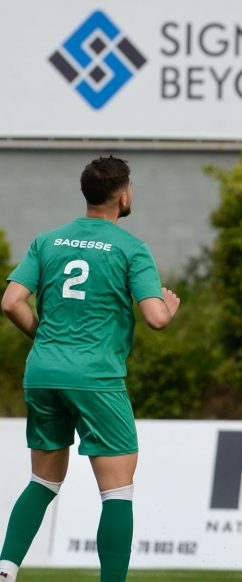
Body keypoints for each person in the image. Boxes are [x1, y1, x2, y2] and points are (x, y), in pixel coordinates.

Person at [0, 156, 180, 582]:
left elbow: (10, 302)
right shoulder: (130, 248)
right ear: (123, 195)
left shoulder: (47, 241)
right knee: (117, 491)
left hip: (43, 373)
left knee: (43, 481)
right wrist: (169, 308)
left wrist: (45, 337)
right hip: (96, 378)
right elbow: (155, 317)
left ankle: (5, 570)